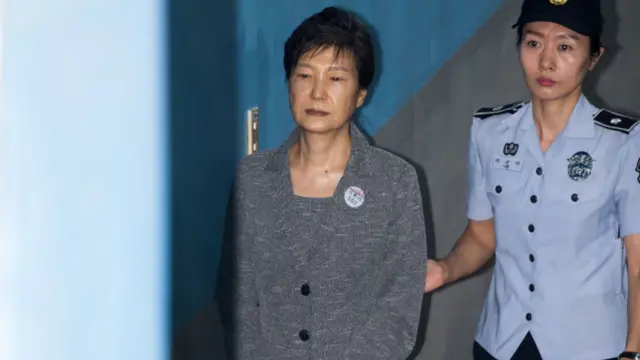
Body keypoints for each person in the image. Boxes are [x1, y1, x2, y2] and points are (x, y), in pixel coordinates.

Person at [423, 0, 640, 359]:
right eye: (534, 42)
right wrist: (445, 269)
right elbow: (482, 235)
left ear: (594, 57)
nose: (547, 62)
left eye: (566, 46)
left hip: (590, 347)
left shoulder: (623, 142)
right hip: (501, 342)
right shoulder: (489, 131)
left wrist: (633, 352)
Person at [216, 6, 427, 360]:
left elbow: (398, 309)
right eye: (304, 76)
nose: (317, 93)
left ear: (360, 94)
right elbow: (234, 294)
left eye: (336, 78)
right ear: (289, 85)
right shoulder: (251, 179)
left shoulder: (395, 182)